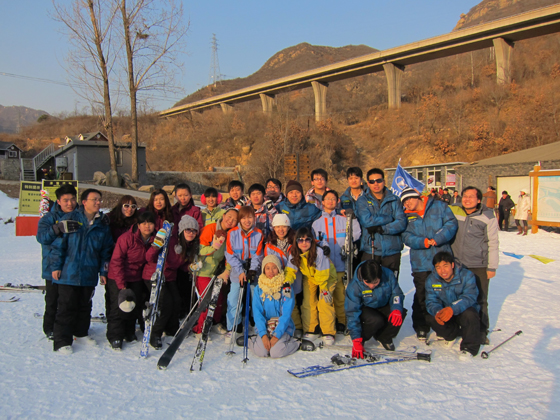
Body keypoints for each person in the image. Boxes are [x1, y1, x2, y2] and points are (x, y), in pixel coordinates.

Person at [50, 188, 114, 354]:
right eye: (94, 199)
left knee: (85, 305)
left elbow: (106, 250)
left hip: (89, 271)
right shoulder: (70, 219)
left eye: (99, 199)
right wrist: (56, 266)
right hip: (68, 271)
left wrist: (103, 271)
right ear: (84, 202)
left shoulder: (102, 224)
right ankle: (62, 340)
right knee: (66, 306)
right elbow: (58, 245)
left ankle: (81, 333)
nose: (98, 202)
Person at [400, 187, 458, 341]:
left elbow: (451, 223)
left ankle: (443, 324)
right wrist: (423, 242)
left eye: (409, 199)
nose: (408, 203)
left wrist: (438, 238)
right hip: (421, 261)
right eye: (404, 201)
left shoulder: (439, 206)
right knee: (422, 294)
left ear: (418, 197)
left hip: (442, 258)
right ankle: (421, 326)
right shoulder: (406, 216)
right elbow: (406, 236)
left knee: (445, 292)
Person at [450, 186, 499, 344]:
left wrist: (492, 267)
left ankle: (481, 330)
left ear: (479, 200)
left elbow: (493, 243)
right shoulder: (455, 210)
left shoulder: (488, 216)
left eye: (471, 197)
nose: (467, 199)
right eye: (464, 196)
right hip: (457, 263)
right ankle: (461, 326)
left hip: (479, 264)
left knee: (480, 299)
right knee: (457, 297)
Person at [143, 215, 199, 349]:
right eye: (187, 230)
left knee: (176, 301)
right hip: (154, 274)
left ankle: (172, 328)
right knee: (166, 303)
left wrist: (190, 267)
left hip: (170, 277)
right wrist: (156, 245)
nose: (191, 233)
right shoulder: (171, 241)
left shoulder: (188, 246)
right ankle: (155, 334)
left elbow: (180, 265)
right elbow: (149, 257)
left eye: (193, 231)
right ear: (181, 231)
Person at [312, 189, 361, 333]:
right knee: (326, 299)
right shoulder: (317, 224)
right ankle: (327, 324)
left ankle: (341, 321)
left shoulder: (343, 219)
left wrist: (352, 218)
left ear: (337, 201)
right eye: (328, 199)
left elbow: (356, 234)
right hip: (325, 268)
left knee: (341, 297)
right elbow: (314, 242)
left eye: (334, 199)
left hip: (341, 266)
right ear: (322, 202)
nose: (330, 201)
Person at [106, 211, 156, 350]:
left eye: (150, 223)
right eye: (144, 223)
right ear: (138, 225)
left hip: (137, 277)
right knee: (119, 306)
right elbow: (116, 261)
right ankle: (115, 336)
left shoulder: (154, 239)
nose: (147, 226)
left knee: (133, 306)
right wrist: (122, 285)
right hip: (118, 275)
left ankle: (129, 332)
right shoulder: (126, 238)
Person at [36, 184, 78, 340]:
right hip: (51, 266)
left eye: (72, 199)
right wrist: (57, 228)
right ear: (58, 201)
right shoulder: (49, 218)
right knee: (53, 299)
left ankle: (70, 326)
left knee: (69, 300)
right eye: (65, 200)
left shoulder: (79, 216)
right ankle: (50, 328)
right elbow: (42, 238)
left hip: (72, 266)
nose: (70, 203)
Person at [285, 227, 337, 346]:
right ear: (296, 242)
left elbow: (323, 273)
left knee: (324, 302)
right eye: (300, 240)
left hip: (327, 277)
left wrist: (324, 289)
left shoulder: (319, 252)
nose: (304, 243)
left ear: (312, 241)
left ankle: (328, 331)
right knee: (308, 301)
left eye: (307, 240)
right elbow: (290, 270)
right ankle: (311, 328)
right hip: (310, 277)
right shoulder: (294, 253)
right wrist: (287, 282)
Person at [354, 168, 407, 282]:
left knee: (390, 285)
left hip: (392, 250)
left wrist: (383, 229)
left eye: (378, 180)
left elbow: (401, 222)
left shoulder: (394, 200)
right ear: (368, 183)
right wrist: (389, 218)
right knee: (370, 285)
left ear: (384, 181)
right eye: (372, 181)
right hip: (371, 249)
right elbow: (367, 221)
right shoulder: (362, 200)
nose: (375, 184)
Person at [425, 252, 481, 359]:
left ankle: (469, 348)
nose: (442, 271)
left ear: (452, 265)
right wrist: (438, 312)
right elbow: (431, 301)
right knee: (430, 317)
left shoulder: (467, 275)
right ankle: (451, 335)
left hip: (462, 310)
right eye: (438, 267)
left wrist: (452, 309)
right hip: (446, 312)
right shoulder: (431, 280)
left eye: (445, 266)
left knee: (470, 314)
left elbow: (469, 297)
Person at [345, 259, 406, 354]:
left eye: (376, 282)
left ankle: (384, 337)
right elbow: (352, 312)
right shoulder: (354, 286)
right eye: (368, 283)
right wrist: (356, 338)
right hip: (366, 308)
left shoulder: (388, 274)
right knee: (376, 320)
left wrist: (396, 308)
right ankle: (361, 339)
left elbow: (397, 293)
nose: (372, 286)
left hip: (383, 303)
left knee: (400, 313)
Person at [195, 208, 239, 334]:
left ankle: (215, 322)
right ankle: (200, 328)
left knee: (219, 298)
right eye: (229, 217)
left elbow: (230, 255)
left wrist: (227, 271)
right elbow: (199, 251)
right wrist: (213, 248)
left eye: (234, 220)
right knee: (206, 299)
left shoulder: (231, 234)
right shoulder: (211, 229)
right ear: (223, 215)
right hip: (203, 270)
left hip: (217, 271)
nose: (230, 221)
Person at [224, 206, 264, 341]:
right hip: (237, 271)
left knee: (256, 297)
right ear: (240, 220)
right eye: (244, 218)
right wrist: (240, 271)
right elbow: (230, 254)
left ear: (254, 218)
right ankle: (233, 326)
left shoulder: (258, 233)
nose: (247, 221)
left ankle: (257, 324)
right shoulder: (232, 233)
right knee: (234, 298)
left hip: (254, 270)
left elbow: (258, 254)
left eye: (250, 217)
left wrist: (252, 270)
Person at [249, 255, 299, 358]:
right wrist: (263, 335)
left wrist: (276, 336)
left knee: (276, 353)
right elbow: (257, 313)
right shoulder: (259, 288)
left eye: (274, 267)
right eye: (267, 268)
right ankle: (252, 340)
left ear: (279, 269)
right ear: (263, 270)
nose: (271, 271)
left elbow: (286, 313)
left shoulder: (286, 287)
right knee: (262, 352)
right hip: (265, 326)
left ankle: (296, 342)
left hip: (282, 327)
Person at [264, 214, 302, 335]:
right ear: (273, 228)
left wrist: (288, 278)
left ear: (288, 227)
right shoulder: (270, 244)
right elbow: (269, 261)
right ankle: (280, 326)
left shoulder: (295, 241)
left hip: (293, 277)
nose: (281, 230)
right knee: (280, 302)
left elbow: (296, 259)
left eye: (284, 226)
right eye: (278, 226)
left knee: (292, 302)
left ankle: (297, 326)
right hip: (277, 278)